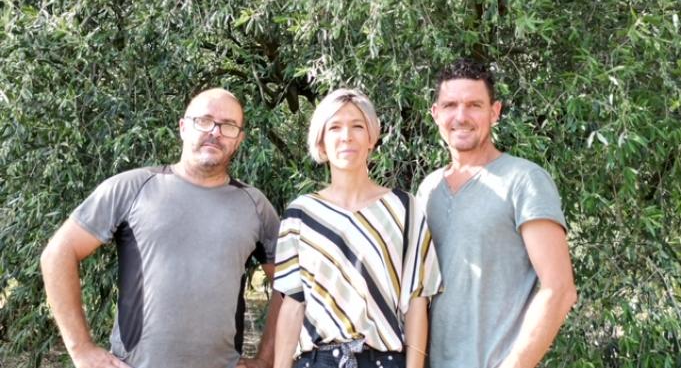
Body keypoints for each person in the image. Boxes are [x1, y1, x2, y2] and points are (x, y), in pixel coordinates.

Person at [41, 88, 282, 368]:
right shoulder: (131, 188)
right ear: (183, 127)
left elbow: (289, 284)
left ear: (238, 139)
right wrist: (81, 348)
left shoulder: (255, 206)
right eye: (203, 120)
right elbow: (58, 253)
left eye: (228, 126)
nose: (215, 132)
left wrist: (266, 359)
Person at [417, 58, 577, 368]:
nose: (461, 116)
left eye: (474, 105)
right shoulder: (429, 189)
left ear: (495, 111)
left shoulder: (524, 180)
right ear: (436, 114)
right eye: (450, 105)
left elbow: (560, 290)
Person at [273, 89, 441, 368]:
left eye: (357, 126)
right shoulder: (301, 214)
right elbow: (293, 305)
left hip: (384, 360)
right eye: (335, 127)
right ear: (322, 143)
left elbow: (416, 302)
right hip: (317, 361)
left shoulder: (404, 208)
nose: (346, 136)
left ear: (372, 138)